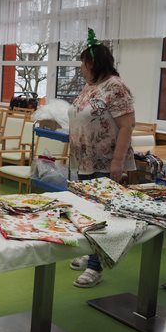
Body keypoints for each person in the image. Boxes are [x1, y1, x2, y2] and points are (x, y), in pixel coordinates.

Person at [68, 29, 136, 288]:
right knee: (85, 210)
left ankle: (95, 267)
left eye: (83, 63)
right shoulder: (91, 86)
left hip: (106, 162)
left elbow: (127, 126)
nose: (81, 68)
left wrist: (117, 162)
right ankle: (90, 252)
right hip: (85, 160)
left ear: (94, 63)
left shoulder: (116, 87)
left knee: (101, 214)